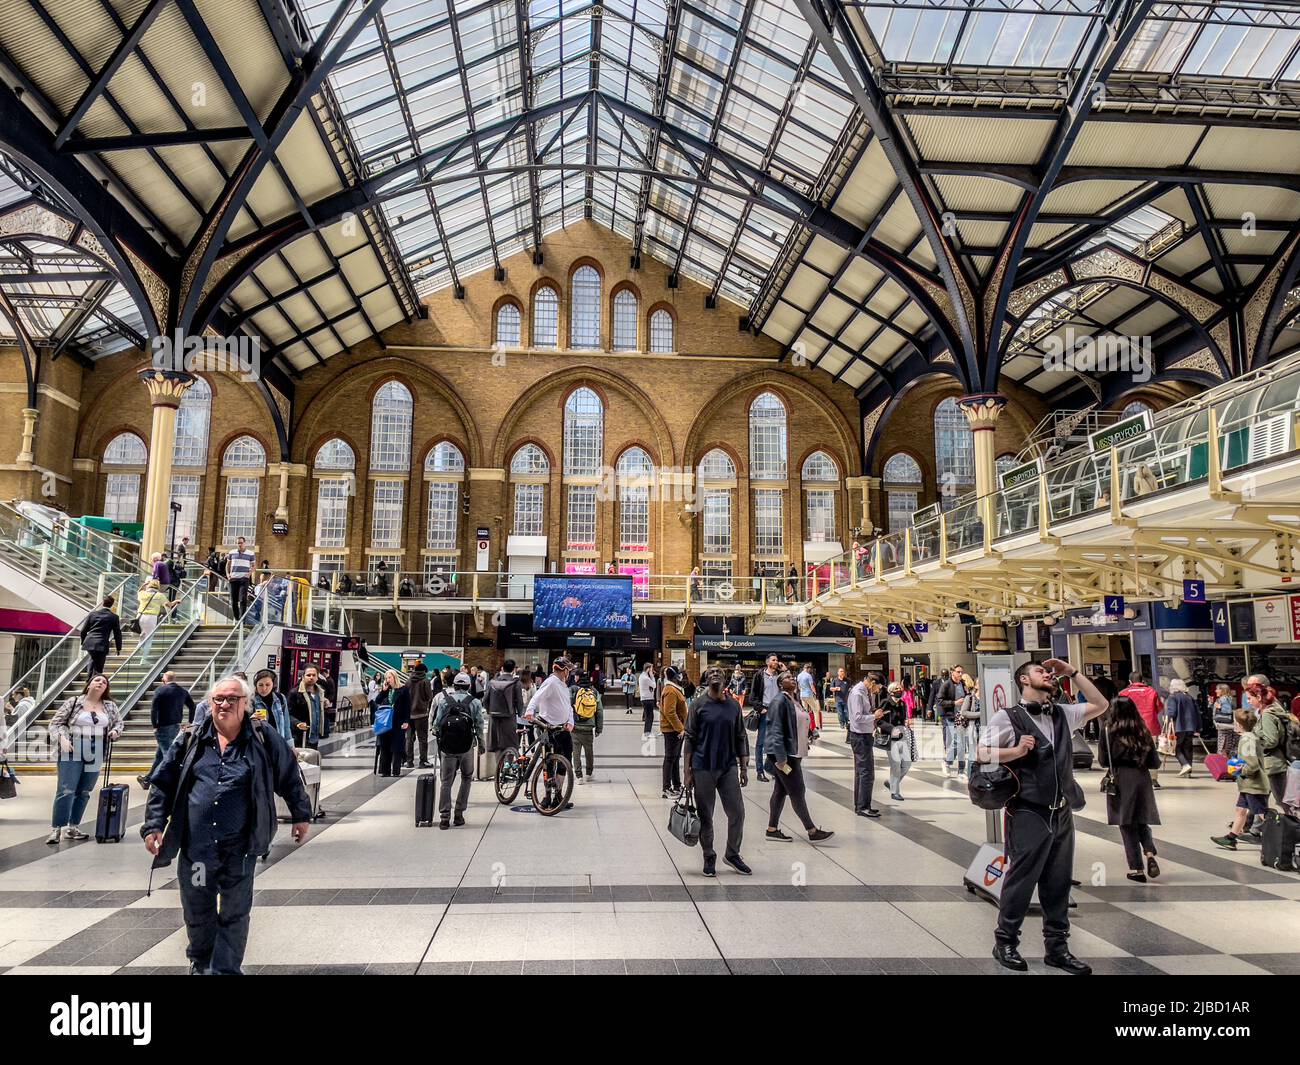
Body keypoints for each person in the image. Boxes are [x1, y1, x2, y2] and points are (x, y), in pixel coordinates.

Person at [142, 674, 310, 975]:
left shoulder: (262, 735)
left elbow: (288, 773)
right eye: (218, 699)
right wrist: (154, 824)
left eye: (232, 699)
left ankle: (225, 970)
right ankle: (201, 961)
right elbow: (162, 783)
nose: (224, 704)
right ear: (210, 703)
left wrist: (300, 814)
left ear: (244, 704)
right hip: (198, 850)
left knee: (235, 912)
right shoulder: (191, 738)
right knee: (197, 908)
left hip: (240, 848)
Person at [978, 658, 1108, 974]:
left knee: (1058, 883)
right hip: (1027, 811)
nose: (1048, 674)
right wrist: (1016, 751)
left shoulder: (1063, 714)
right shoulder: (1007, 717)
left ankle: (1057, 949)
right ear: (1024, 679)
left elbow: (1100, 703)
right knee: (1021, 881)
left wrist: (1073, 672)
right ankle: (1005, 941)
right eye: (1040, 671)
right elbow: (982, 753)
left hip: (1061, 812)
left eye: (1049, 672)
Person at [683, 667, 751, 876]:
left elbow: (741, 736)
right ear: (705, 678)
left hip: (728, 766)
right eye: (711, 672)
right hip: (703, 766)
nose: (714, 674)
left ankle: (732, 853)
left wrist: (743, 767)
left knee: (737, 812)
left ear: (725, 679)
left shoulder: (733, 706)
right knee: (706, 815)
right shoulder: (698, 705)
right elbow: (690, 738)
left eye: (719, 672)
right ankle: (708, 856)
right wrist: (687, 772)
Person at [47, 675, 122, 844]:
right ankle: (56, 828)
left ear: (106, 688)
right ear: (89, 685)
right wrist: (63, 739)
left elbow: (119, 723)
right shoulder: (74, 702)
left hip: (97, 748)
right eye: (97, 680)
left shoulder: (109, 706)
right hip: (73, 746)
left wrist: (115, 732)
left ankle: (73, 827)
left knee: (84, 790)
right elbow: (55, 723)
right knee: (66, 789)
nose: (100, 683)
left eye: (104, 682)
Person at [763, 670, 834, 844]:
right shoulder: (779, 701)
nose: (792, 679)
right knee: (797, 790)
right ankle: (811, 830)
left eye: (792, 677)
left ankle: (772, 829)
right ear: (780, 684)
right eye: (787, 678)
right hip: (785, 756)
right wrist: (780, 758)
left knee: (780, 791)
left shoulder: (793, 701)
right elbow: (775, 730)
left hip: (794, 753)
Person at [1098, 695, 1162, 882]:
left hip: (1120, 778)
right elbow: (1154, 762)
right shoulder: (1142, 729)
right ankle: (1149, 853)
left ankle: (1137, 868)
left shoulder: (1108, 730)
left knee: (1126, 823)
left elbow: (1103, 760)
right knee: (1142, 819)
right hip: (1141, 777)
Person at [1212, 710, 1270, 850]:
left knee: (1262, 814)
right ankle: (1231, 839)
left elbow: (1252, 765)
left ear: (1239, 724)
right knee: (1240, 810)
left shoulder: (1247, 739)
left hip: (1253, 785)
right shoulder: (1248, 737)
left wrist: (1237, 771)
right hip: (1248, 785)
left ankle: (1279, 838)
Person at [434, 673, 485, 828]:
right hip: (467, 746)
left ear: (454, 686)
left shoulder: (444, 701)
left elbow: (436, 725)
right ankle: (459, 814)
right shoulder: (475, 702)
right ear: (469, 686)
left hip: (447, 747)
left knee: (446, 781)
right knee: (467, 777)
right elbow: (479, 726)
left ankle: (444, 816)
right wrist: (481, 745)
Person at [524, 656, 575, 809]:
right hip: (549, 726)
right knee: (548, 762)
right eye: (568, 670)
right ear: (564, 670)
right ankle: (547, 796)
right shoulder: (551, 681)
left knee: (565, 761)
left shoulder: (563, 685)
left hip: (563, 728)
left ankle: (558, 795)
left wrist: (571, 721)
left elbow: (568, 707)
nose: (569, 673)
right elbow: (537, 696)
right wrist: (530, 711)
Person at [138, 671, 194, 788]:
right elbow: (192, 706)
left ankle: (170, 782)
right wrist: (190, 722)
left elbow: (154, 709)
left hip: (162, 726)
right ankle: (148, 779)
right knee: (160, 755)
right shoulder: (182, 691)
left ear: (164, 678)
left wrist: (154, 725)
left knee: (167, 755)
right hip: (176, 726)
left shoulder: (160, 690)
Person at [1248, 674, 1297, 806]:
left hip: (1272, 763)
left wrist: (1253, 744)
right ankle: (1250, 824)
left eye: (1249, 697)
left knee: (1283, 801)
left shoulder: (1268, 714)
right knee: (1257, 797)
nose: (1248, 701)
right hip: (1270, 762)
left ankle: (1294, 825)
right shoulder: (1269, 710)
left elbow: (1271, 740)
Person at [1118, 671, 1165, 788]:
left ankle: (1134, 778)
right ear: (1142, 680)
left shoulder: (1123, 693)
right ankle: (1153, 779)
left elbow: (1119, 711)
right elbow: (1159, 707)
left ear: (1130, 681)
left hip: (1131, 727)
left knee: (1131, 752)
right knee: (1151, 751)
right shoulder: (1152, 691)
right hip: (1150, 726)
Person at [846, 673, 882, 818]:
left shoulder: (864, 692)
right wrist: (875, 716)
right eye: (878, 687)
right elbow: (857, 717)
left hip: (864, 735)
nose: (878, 690)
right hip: (860, 737)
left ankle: (862, 805)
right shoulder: (857, 693)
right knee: (865, 772)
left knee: (863, 772)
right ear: (872, 682)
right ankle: (862, 806)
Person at [747, 653, 782, 783]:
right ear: (767, 662)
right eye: (774, 660)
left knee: (776, 742)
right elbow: (752, 697)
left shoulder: (780, 676)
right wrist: (760, 708)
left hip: (777, 712)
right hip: (765, 712)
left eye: (777, 660)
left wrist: (785, 670)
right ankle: (760, 771)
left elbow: (791, 686)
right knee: (761, 743)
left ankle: (774, 770)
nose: (776, 662)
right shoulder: (759, 676)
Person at [879, 681, 912, 800]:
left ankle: (891, 782)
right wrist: (892, 729)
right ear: (891, 691)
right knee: (896, 764)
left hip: (902, 735)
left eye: (900, 688)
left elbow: (903, 719)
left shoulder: (903, 703)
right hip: (890, 737)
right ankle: (895, 792)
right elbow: (879, 721)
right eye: (897, 688)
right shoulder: (885, 703)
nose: (900, 690)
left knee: (907, 763)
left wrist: (906, 724)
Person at [76, 596, 121, 680]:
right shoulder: (114, 617)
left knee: (92, 659)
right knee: (99, 664)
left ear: (102, 603)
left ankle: (89, 680)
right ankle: (93, 680)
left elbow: (83, 631)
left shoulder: (92, 614)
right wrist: (118, 648)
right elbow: (117, 634)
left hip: (90, 642)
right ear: (112, 605)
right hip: (102, 643)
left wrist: (83, 641)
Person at [486, 659, 526, 755]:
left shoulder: (492, 682)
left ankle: (498, 766)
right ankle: (508, 765)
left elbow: (485, 700)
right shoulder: (516, 683)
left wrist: (489, 710)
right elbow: (519, 702)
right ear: (513, 670)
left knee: (496, 744)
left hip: (494, 717)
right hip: (509, 716)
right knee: (510, 744)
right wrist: (520, 714)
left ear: (502, 668)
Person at [570, 671, 603, 784]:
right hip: (588, 727)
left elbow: (567, 706)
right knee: (589, 751)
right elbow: (599, 711)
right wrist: (599, 728)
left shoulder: (573, 689)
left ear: (578, 677)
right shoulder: (594, 691)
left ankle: (579, 776)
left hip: (575, 726)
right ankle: (589, 774)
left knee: (576, 753)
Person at [377, 670, 411, 777]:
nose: (387, 680)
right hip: (385, 722)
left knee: (397, 746)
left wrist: (406, 721)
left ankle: (396, 770)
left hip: (398, 721)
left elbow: (407, 706)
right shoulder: (387, 690)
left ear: (395, 678)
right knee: (385, 745)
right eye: (386, 678)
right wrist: (383, 691)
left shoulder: (403, 689)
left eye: (389, 678)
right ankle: (385, 770)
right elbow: (377, 701)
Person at [660, 665, 687, 798]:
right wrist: (680, 728)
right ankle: (666, 788)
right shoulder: (670, 690)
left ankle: (676, 784)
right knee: (670, 758)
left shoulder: (675, 689)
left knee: (675, 758)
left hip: (676, 730)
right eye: (679, 674)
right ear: (675, 676)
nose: (681, 676)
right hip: (672, 730)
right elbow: (669, 712)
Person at [937, 664, 968, 776]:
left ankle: (960, 769)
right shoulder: (946, 685)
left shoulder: (962, 684)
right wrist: (954, 703)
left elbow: (967, 696)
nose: (960, 674)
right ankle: (947, 762)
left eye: (961, 672)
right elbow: (940, 701)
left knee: (962, 744)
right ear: (952, 672)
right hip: (950, 717)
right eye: (958, 672)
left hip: (962, 717)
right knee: (957, 741)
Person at [1165, 678, 1200, 778]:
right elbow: (1197, 713)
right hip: (1190, 727)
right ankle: (1188, 771)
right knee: (1188, 748)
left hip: (1178, 727)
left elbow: (1172, 713)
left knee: (1175, 748)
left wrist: (1166, 718)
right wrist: (1198, 728)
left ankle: (1185, 765)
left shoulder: (1173, 697)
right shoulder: (1189, 697)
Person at [288, 666, 327, 750]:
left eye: (314, 675)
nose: (311, 677)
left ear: (317, 677)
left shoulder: (320, 693)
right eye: (308, 675)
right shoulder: (294, 693)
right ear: (303, 677)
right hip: (300, 736)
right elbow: (288, 713)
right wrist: (297, 723)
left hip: (314, 736)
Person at [403, 663, 433, 768]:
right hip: (421, 714)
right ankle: (423, 761)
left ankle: (409, 761)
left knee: (409, 739)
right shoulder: (425, 681)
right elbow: (429, 696)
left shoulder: (408, 681)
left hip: (409, 715)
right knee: (422, 739)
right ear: (424, 671)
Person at [224, 536, 255, 619]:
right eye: (238, 543)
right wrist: (227, 574)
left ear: (245, 543)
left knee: (243, 599)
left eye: (241, 543)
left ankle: (242, 619)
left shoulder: (250, 553)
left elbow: (254, 566)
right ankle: (237, 619)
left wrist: (249, 574)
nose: (239, 544)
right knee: (233, 601)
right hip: (233, 579)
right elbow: (227, 564)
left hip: (244, 580)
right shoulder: (232, 552)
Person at [957, 674, 981, 779]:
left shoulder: (989, 697)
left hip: (987, 730)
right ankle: (971, 778)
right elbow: (964, 712)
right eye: (979, 683)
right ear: (975, 686)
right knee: (973, 754)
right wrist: (980, 714)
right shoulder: (970, 698)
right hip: (974, 729)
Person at [136, 578, 166, 656]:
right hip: (151, 617)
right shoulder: (160, 595)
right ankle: (144, 659)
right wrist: (176, 602)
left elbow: (139, 591)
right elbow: (168, 605)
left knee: (142, 636)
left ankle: (136, 655)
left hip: (140, 617)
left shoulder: (143, 594)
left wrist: (144, 584)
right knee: (149, 638)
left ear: (148, 585)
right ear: (158, 586)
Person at [1213, 683, 1239, 756]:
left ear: (1222, 690)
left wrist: (1219, 707)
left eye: (1217, 689)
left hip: (1224, 727)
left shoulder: (1223, 699)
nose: (1216, 691)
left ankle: (1224, 765)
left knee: (1223, 749)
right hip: (1228, 727)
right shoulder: (1229, 698)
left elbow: (1228, 711)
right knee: (1229, 748)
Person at [797, 662, 821, 731]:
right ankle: (817, 726)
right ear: (807, 668)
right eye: (810, 669)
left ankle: (805, 726)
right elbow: (812, 686)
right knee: (815, 710)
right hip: (808, 695)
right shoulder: (808, 675)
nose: (810, 670)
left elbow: (798, 686)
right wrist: (815, 693)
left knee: (805, 711)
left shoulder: (799, 675)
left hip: (802, 695)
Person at [638, 661, 657, 739]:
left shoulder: (642, 676)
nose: (652, 670)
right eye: (651, 668)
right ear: (648, 669)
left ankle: (647, 732)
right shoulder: (645, 678)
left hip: (645, 698)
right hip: (647, 699)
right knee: (649, 716)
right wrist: (652, 676)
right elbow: (654, 685)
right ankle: (647, 732)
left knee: (649, 716)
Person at [829, 667, 850, 736]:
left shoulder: (847, 680)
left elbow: (851, 688)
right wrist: (835, 689)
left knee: (846, 712)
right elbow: (831, 688)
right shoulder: (835, 680)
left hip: (846, 699)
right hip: (838, 699)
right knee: (840, 713)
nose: (842, 672)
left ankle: (847, 723)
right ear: (838, 673)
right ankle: (842, 724)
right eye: (841, 671)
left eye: (843, 671)